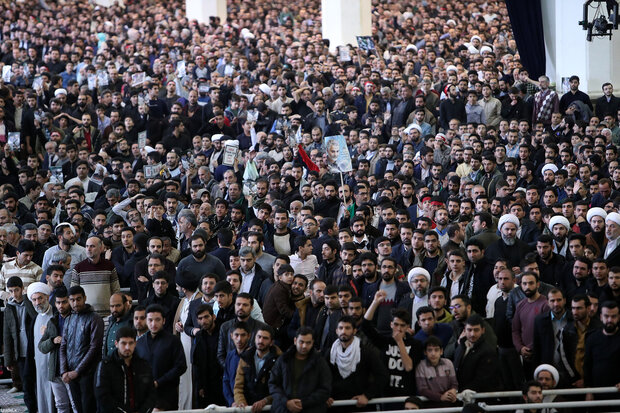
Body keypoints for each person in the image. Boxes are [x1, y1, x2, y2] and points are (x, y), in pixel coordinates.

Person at [363, 296, 423, 397]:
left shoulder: (415, 344)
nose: (398, 328)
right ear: (391, 324)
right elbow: (365, 325)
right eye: (396, 324)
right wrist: (375, 302)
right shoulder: (384, 341)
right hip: (385, 392)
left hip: (406, 393)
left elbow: (408, 367)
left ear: (408, 326)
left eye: (402, 325)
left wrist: (400, 342)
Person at [327, 316, 388, 410]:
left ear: (354, 331)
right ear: (336, 331)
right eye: (340, 328)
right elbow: (321, 377)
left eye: (347, 328)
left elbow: (382, 376)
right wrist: (326, 395)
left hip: (359, 405)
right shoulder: (329, 353)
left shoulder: (366, 352)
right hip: (335, 405)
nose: (343, 331)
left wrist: (367, 395)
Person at [59, 285, 104, 413]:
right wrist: (63, 371)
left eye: (78, 299)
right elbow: (63, 345)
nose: (75, 303)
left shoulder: (95, 318)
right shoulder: (69, 319)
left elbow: (94, 348)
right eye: (72, 300)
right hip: (71, 372)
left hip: (88, 373)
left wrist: (77, 371)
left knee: (88, 408)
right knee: (78, 409)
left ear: (84, 298)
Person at [135, 304, 187, 411]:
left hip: (167, 394)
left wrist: (159, 382)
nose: (153, 324)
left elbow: (181, 366)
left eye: (157, 320)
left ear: (163, 321)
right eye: (150, 320)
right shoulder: (139, 343)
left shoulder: (173, 341)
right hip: (145, 394)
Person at [268, 326, 332, 413]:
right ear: (295, 341)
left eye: (308, 343)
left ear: (312, 343)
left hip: (311, 409)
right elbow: (273, 384)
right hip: (283, 408)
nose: (304, 346)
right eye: (301, 342)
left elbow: (325, 389)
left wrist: (304, 403)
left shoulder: (320, 362)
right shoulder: (283, 360)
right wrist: (286, 402)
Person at [94, 326, 156, 413]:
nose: (127, 347)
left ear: (135, 343)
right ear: (116, 344)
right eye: (123, 343)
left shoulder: (143, 365)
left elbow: (151, 394)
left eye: (131, 343)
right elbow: (102, 396)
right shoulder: (105, 365)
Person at [3, 276, 38, 413]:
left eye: (16, 290)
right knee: (26, 384)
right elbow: (6, 335)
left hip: (34, 350)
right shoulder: (9, 308)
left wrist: (27, 302)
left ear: (22, 289)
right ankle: (32, 409)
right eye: (11, 291)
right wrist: (8, 359)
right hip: (20, 352)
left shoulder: (30, 302)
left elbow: (36, 316)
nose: (14, 294)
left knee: (37, 383)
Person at [39, 286, 74, 413]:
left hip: (72, 369)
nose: (61, 306)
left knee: (75, 405)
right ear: (55, 303)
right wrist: (53, 341)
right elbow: (41, 346)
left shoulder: (75, 318)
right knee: (61, 406)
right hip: (55, 370)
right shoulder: (52, 321)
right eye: (58, 302)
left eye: (64, 302)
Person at [69, 236, 120, 317]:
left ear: (101, 248)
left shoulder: (109, 266)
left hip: (107, 314)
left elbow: (116, 290)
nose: (88, 249)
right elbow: (73, 292)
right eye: (87, 246)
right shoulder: (78, 268)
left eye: (92, 246)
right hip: (85, 315)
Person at [453, 314, 500, 392]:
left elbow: (483, 380)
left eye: (476, 330)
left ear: (483, 330)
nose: (472, 334)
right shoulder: (461, 346)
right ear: (464, 330)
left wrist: (460, 391)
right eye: (469, 330)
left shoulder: (488, 352)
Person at [584, 301, 620, 401]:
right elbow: (587, 366)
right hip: (597, 392)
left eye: (613, 316)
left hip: (617, 392)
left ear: (618, 317)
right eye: (606, 316)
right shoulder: (592, 338)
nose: (610, 320)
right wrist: (589, 391)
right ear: (601, 317)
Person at [29, 282, 55, 413]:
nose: (37, 302)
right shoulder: (35, 319)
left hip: (54, 364)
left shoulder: (55, 315)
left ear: (47, 298)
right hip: (39, 364)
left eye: (40, 298)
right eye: (34, 299)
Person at [415, 336, 459, 407]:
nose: (433, 353)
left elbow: (454, 383)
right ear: (425, 352)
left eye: (436, 350)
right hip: (429, 403)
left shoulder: (448, 363)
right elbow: (422, 389)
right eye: (430, 350)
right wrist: (440, 397)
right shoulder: (421, 365)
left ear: (441, 351)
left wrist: (453, 391)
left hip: (448, 401)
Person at [223, 321, 251, 406]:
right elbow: (226, 380)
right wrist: (231, 402)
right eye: (236, 335)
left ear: (249, 336)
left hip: (249, 404)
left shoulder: (253, 356)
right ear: (231, 336)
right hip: (233, 404)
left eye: (243, 335)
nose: (239, 339)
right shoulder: (230, 355)